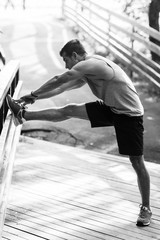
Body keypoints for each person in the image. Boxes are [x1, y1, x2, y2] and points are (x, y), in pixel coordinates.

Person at [6, 39, 152, 226]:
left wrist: (34, 94)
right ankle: (23, 114)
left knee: (136, 161)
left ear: (75, 56)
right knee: (68, 110)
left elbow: (60, 79)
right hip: (112, 108)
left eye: (66, 60)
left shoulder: (92, 64)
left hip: (129, 114)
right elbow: (62, 87)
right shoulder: (87, 70)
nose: (66, 65)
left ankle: (146, 209)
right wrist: (32, 98)